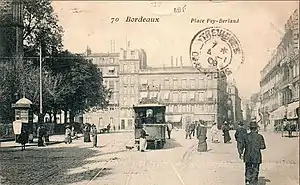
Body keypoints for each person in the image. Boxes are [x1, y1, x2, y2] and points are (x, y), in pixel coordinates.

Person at [241, 121, 266, 185]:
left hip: (247, 156)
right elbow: (263, 147)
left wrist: (241, 153)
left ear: (250, 128)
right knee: (255, 169)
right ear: (256, 128)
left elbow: (242, 145)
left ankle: (248, 180)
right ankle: (254, 182)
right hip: (256, 156)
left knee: (248, 168)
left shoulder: (245, 136)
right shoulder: (260, 136)